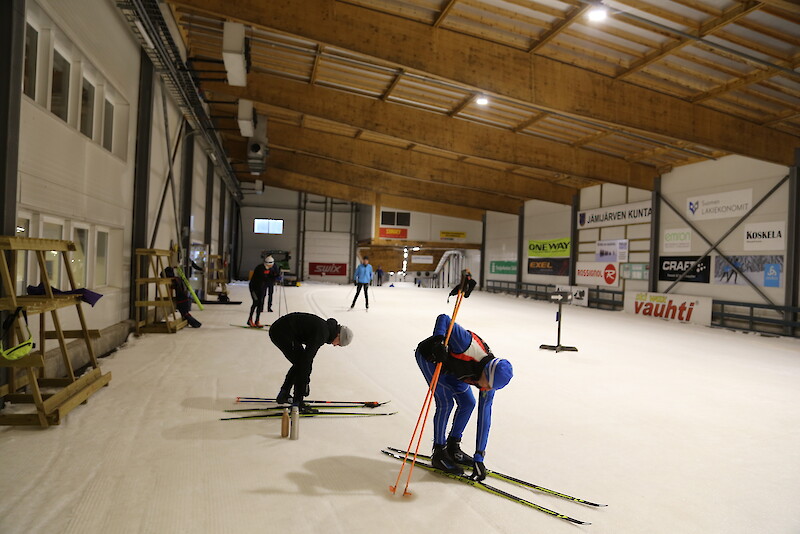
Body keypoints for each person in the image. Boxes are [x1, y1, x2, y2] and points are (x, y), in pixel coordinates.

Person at [415, 313, 513, 480]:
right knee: (445, 402)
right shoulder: (466, 344)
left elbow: (484, 418)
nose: (486, 389)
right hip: (431, 358)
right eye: (487, 385)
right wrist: (439, 341)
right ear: (486, 372)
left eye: (490, 388)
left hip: (455, 369)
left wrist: (479, 458)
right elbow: (444, 318)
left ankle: (453, 447)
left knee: (468, 402)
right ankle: (439, 452)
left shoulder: (489, 381)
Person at [269, 312, 353, 413]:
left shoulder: (324, 330)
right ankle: (297, 403)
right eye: (339, 343)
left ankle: (284, 394)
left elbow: (306, 360)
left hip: (283, 330)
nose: (335, 345)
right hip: (281, 331)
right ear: (338, 335)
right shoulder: (322, 333)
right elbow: (306, 362)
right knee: (301, 364)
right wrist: (305, 384)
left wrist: (305, 382)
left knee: (299, 363)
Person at [247, 256, 280, 327]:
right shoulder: (260, 268)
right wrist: (271, 278)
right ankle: (249, 320)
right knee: (256, 302)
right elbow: (264, 278)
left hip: (261, 288)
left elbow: (271, 276)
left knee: (260, 303)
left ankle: (257, 321)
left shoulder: (270, 269)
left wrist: (276, 276)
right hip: (254, 288)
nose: (272, 266)